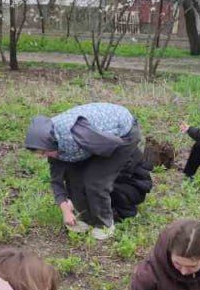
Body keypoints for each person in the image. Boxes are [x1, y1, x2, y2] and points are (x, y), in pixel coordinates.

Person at [24, 102, 142, 240]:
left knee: (95, 181)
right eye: (41, 154)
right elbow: (56, 180)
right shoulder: (52, 143)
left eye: (44, 152)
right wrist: (65, 210)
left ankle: (105, 224)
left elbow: (111, 145)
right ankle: (87, 218)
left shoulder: (77, 134)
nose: (44, 156)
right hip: (92, 143)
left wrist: (102, 169)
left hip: (121, 137)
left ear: (51, 143)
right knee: (74, 178)